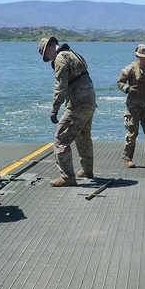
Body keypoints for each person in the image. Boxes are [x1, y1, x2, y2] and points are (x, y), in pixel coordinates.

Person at [39, 36, 96, 186]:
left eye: (46, 56)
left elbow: (60, 87)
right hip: (90, 101)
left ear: (49, 49)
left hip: (77, 103)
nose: (48, 59)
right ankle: (88, 170)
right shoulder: (74, 54)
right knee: (83, 136)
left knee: (61, 139)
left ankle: (68, 177)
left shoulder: (60, 58)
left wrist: (54, 109)